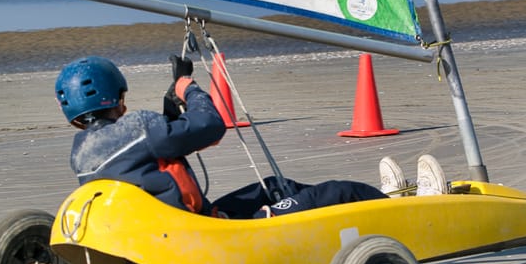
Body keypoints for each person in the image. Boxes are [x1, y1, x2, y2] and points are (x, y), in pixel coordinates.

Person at [54, 56, 446, 219]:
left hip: (168, 231)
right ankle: (411, 212)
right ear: (117, 98)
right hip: (211, 235)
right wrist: (189, 89)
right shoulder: (138, 127)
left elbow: (149, 155)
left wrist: (170, 116)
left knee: (274, 184)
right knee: (338, 191)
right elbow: (211, 126)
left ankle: (379, 203)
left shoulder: (81, 154)